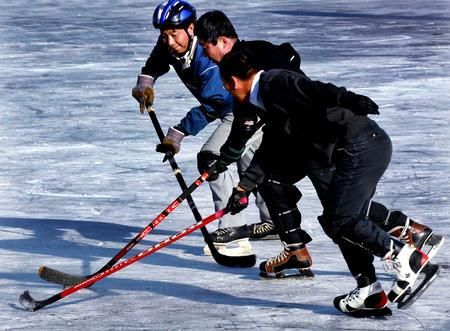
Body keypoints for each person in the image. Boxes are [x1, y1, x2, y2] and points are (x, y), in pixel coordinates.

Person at [195, 10, 442, 280]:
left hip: (328, 143)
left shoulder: (262, 69)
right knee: (279, 184)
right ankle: (298, 251)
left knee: (340, 214)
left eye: (206, 48)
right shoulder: (248, 83)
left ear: (221, 41)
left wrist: (348, 98)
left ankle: (400, 242)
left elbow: (309, 89)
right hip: (304, 142)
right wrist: (235, 177)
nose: (206, 55)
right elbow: (257, 139)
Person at [216, 47, 441, 316]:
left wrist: (348, 98)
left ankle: (406, 256)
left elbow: (313, 89)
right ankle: (369, 289)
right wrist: (243, 188)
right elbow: (270, 149)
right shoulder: (265, 100)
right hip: (340, 151)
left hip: (360, 145)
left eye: (227, 87)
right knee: (338, 222)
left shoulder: (274, 82)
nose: (229, 93)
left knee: (342, 219)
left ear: (232, 81)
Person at [131, 0, 274, 256]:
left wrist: (178, 133)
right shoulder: (171, 44)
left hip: (243, 111)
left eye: (174, 34)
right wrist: (145, 82)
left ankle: (233, 235)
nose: (169, 41)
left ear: (191, 28)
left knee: (211, 160)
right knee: (251, 164)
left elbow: (213, 107)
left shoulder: (208, 62)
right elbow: (157, 59)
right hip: (236, 107)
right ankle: (272, 221)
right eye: (164, 35)